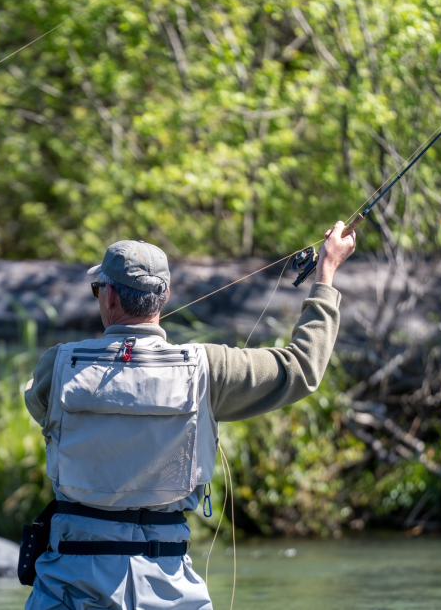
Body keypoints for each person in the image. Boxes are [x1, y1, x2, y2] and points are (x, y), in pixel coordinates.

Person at [21, 222, 356, 610]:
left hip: (69, 590)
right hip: (170, 593)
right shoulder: (209, 368)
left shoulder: (58, 366)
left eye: (99, 289)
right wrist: (326, 274)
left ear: (109, 296)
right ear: (163, 297)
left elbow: (36, 402)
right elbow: (301, 369)